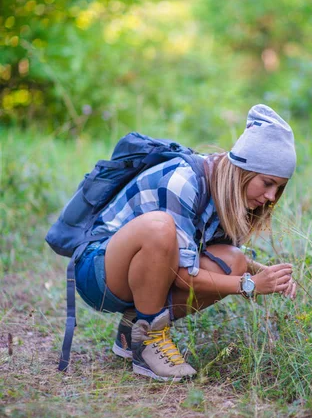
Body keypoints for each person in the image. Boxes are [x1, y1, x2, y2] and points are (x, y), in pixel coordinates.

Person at [74, 104, 297, 381]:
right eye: (267, 183)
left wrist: (262, 273)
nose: (272, 197)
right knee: (160, 227)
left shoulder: (228, 193)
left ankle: (132, 330)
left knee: (234, 261)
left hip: (140, 272)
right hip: (98, 272)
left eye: (279, 188)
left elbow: (193, 256)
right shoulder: (183, 181)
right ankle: (149, 341)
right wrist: (249, 285)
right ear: (244, 169)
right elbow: (180, 274)